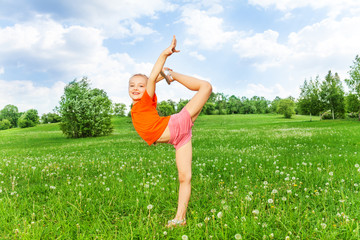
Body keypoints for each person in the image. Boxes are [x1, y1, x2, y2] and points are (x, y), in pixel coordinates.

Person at [128, 36, 212, 228]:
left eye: (141, 85)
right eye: (132, 85)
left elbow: (152, 75)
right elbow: (154, 77)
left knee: (206, 87)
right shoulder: (138, 107)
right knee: (185, 177)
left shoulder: (146, 99)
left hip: (176, 124)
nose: (136, 88)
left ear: (147, 88)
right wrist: (160, 77)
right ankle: (180, 219)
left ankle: (173, 74)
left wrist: (164, 56)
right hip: (179, 137)